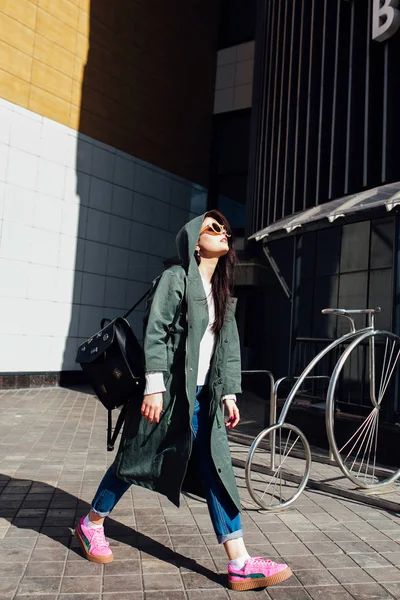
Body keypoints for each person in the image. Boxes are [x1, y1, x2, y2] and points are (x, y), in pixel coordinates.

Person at [75, 211, 292, 591]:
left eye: (225, 229)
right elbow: (156, 330)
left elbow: (226, 346)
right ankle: (91, 523)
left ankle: (240, 562)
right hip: (171, 395)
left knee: (218, 471)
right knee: (135, 459)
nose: (224, 233)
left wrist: (227, 393)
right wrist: (154, 385)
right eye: (213, 228)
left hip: (204, 399)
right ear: (194, 241)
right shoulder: (176, 278)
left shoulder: (221, 291)